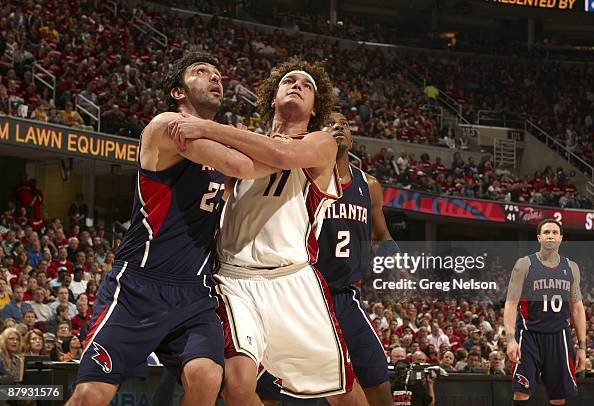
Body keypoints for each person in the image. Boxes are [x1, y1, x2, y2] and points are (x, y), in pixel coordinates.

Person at [67, 51, 272, 406]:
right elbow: (242, 163)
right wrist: (268, 148)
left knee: (207, 377)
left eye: (219, 74)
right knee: (90, 395)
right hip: (138, 286)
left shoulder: (215, 140)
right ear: (178, 91)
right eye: (202, 71)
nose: (216, 78)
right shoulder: (165, 125)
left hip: (193, 291)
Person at [170, 58, 365, 404]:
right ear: (272, 98)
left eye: (307, 86)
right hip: (235, 279)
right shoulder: (245, 146)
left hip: (292, 279)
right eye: (289, 81)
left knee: (342, 391)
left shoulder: (321, 143)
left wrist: (207, 129)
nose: (297, 86)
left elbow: (279, 153)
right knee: (237, 381)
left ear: (315, 106)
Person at [256, 112, 398, 405]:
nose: (338, 127)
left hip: (344, 296)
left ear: (352, 136)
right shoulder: (302, 177)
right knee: (274, 389)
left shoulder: (367, 185)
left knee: (378, 377)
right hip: (302, 295)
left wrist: (400, 266)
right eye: (329, 123)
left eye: (344, 123)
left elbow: (381, 235)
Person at [504, 219, 586, 406]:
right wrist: (510, 340)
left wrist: (582, 346)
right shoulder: (524, 265)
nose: (550, 235)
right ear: (539, 237)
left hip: (559, 336)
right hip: (529, 334)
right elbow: (510, 304)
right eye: (547, 232)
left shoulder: (571, 267)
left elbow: (578, 308)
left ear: (561, 238)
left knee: (558, 397)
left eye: (555, 232)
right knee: (521, 392)